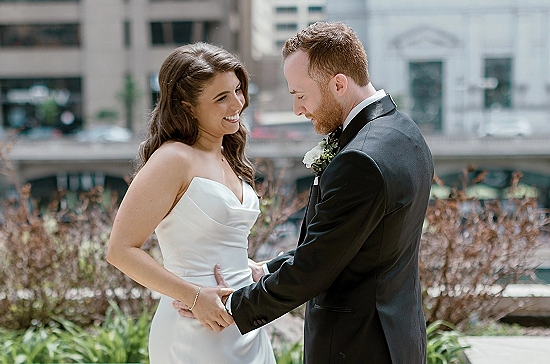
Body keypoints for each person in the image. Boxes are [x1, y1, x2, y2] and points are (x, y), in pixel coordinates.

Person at [178, 21, 434, 363]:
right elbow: (347, 244)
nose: (298, 109)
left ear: (338, 84)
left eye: (300, 95)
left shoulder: (359, 159)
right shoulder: (405, 132)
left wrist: (227, 307)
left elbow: (314, 269)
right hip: (399, 337)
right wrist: (267, 270)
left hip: (357, 346)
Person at [106, 42, 276, 364]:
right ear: (187, 106)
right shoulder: (172, 159)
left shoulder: (226, 154)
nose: (237, 103)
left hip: (244, 322)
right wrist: (193, 295)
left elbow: (212, 234)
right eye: (221, 98)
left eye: (237, 90)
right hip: (194, 329)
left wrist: (244, 264)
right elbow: (120, 250)